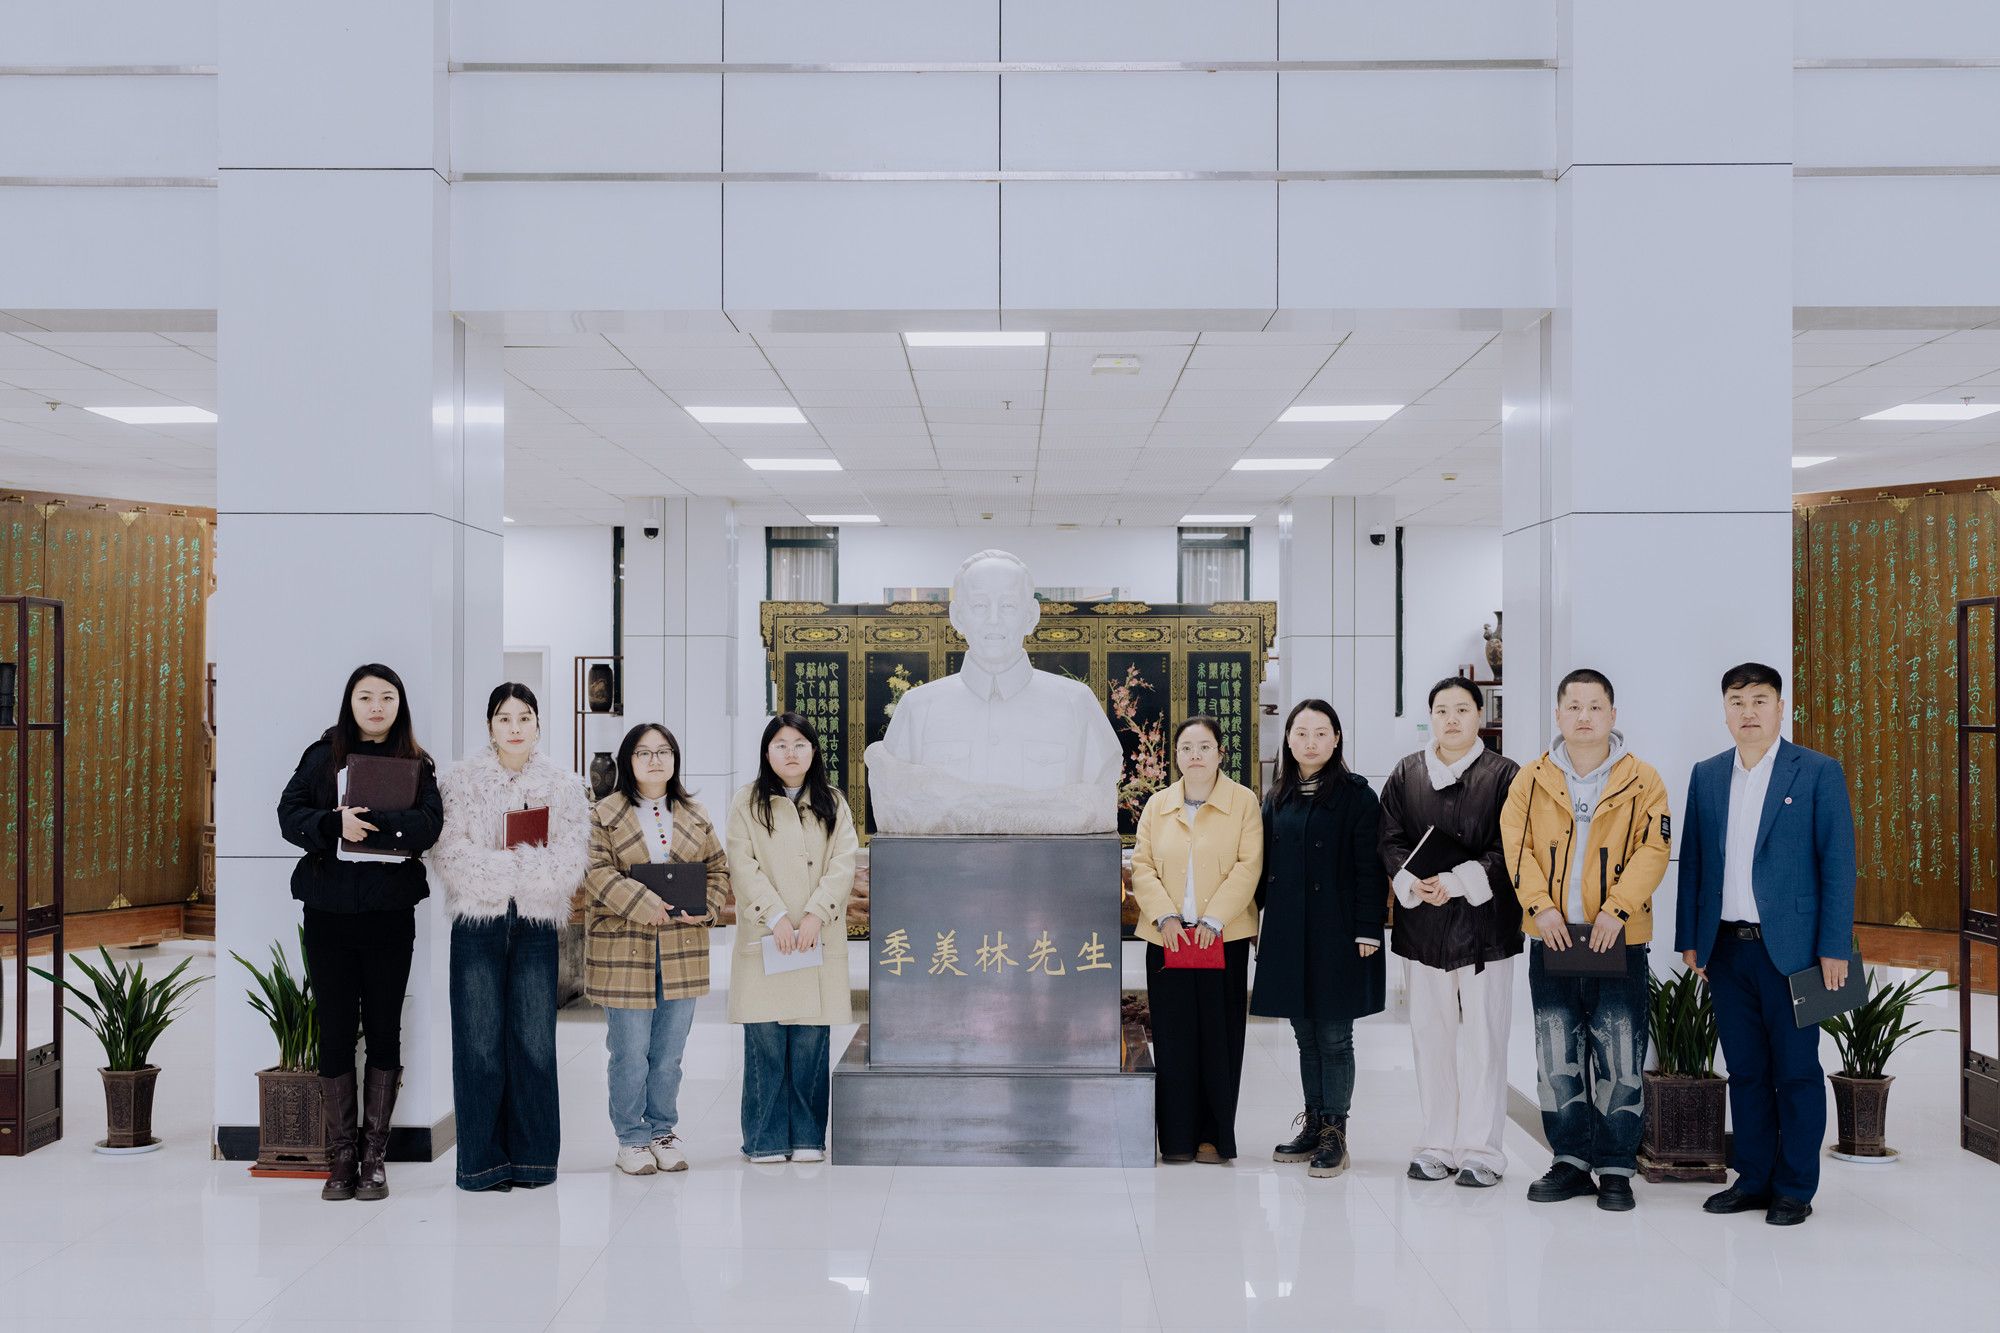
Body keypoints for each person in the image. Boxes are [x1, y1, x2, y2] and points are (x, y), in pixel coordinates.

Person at [1677, 662, 1856, 1227]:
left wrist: (1834, 947)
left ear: (1781, 708)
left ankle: (1795, 1188)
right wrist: (1691, 940)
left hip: (1798, 952)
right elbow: (1694, 863)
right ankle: (1753, 1179)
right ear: (1724, 711)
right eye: (1737, 701)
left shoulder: (1817, 771)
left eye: (1759, 700)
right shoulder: (1707, 775)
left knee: (1797, 1073)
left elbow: (1839, 864)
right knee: (1746, 1070)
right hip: (1726, 950)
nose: (1748, 712)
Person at [1502, 668, 1672, 1212]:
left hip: (1618, 941)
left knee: (1620, 1054)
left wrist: (1617, 910)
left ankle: (1617, 1167)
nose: (1584, 717)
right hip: (1552, 940)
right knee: (1556, 1055)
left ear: (1612, 715)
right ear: (1558, 714)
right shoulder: (1531, 780)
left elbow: (1654, 851)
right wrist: (1541, 908)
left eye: (1595, 707)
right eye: (1573, 706)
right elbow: (1516, 848)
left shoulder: (1642, 779)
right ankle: (1570, 1161)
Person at [276, 663, 443, 1202]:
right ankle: (341, 1158)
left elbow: (431, 825)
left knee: (385, 1029)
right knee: (334, 1030)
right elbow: (288, 814)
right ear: (350, 702)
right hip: (328, 913)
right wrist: (334, 823)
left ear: (400, 705)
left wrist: (374, 825)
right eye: (365, 696)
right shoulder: (321, 755)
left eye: (387, 697)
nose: (376, 706)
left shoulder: (417, 763)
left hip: (389, 914)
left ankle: (374, 1158)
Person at [431, 683, 591, 1192]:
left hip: (536, 924)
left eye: (524, 717)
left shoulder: (564, 786)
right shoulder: (459, 782)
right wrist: (513, 868)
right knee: (477, 1043)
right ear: (490, 727)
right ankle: (481, 1164)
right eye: (504, 718)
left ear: (538, 724)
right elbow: (449, 853)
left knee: (534, 1043)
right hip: (477, 923)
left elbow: (569, 860)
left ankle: (534, 1161)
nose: (515, 727)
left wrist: (514, 867)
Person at [1378, 676, 1523, 1188]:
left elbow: (1513, 846)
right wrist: (1412, 880)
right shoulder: (1406, 772)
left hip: (1486, 929)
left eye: (1462, 709)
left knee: (1486, 1038)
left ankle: (1483, 1151)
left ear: (1479, 715)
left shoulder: (1505, 775)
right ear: (1431, 717)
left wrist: (1460, 880)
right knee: (1430, 1036)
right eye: (1442, 710)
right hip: (1424, 926)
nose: (1452, 719)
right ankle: (1436, 1143)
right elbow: (1388, 837)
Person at [865, 548, 1123, 835]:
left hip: (1052, 863)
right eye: (979, 605)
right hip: (943, 864)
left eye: (1009, 605)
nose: (994, 619)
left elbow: (1099, 797)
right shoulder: (917, 709)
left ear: (1031, 615)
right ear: (957, 616)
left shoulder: (1076, 704)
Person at [581, 722, 729, 1175]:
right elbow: (595, 871)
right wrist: (643, 902)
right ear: (628, 761)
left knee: (668, 1054)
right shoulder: (602, 813)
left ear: (674, 759)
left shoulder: (695, 813)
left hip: (681, 945)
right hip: (624, 946)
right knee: (629, 1052)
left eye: (663, 751)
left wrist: (706, 908)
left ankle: (662, 1130)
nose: (654, 760)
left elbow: (718, 870)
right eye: (643, 753)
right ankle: (631, 1138)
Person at [1249, 700, 1387, 1179]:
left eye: (1321, 733)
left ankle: (1335, 1132)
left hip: (1340, 932)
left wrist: (1369, 928)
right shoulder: (1278, 796)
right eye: (1301, 733)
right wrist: (1251, 921)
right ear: (1288, 740)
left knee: (1334, 1035)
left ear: (1336, 739)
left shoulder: (1358, 796)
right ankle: (1312, 1123)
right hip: (1288, 931)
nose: (1311, 742)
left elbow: (1370, 869)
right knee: (1304, 1034)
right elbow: (1262, 867)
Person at [1129, 716, 1265, 1164]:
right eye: (1186, 748)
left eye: (1205, 747)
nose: (1195, 756)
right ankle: (1177, 1139)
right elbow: (1142, 866)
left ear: (1221, 753)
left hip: (1221, 939)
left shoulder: (1243, 802)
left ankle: (1213, 1138)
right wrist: (1165, 916)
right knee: (1173, 1037)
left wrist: (1214, 919)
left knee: (1219, 1038)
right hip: (1167, 939)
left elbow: (1248, 866)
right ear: (1176, 756)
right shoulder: (1158, 806)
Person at [727, 713, 859, 1163]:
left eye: (799, 744)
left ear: (813, 751)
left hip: (815, 937)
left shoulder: (832, 802)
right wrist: (777, 915)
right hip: (768, 935)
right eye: (780, 745)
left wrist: (817, 915)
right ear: (767, 753)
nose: (790, 753)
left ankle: (807, 1138)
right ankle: (764, 1140)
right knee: (764, 1042)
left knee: (810, 1042)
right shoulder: (747, 802)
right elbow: (742, 865)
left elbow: (844, 862)